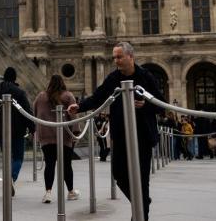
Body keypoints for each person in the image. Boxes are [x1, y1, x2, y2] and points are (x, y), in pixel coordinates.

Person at [68, 42, 164, 220]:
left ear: (130, 57)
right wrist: (79, 106)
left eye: (119, 57)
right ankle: (142, 203)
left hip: (142, 136)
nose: (116, 60)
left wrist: (146, 105)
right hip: (121, 136)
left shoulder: (146, 77)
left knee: (142, 181)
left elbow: (161, 104)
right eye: (114, 57)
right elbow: (98, 98)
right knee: (119, 175)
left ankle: (140, 215)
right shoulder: (113, 79)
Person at [33, 75, 81, 203]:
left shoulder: (41, 97)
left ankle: (48, 193)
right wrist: (75, 133)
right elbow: (73, 116)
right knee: (66, 165)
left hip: (46, 136)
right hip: (64, 136)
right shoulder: (68, 96)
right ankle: (70, 192)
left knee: (49, 164)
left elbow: (35, 113)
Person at [0, 67, 35, 195]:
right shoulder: (20, 93)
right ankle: (12, 178)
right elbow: (26, 111)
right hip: (18, 130)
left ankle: (8, 178)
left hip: (1, 130)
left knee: (7, 157)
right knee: (18, 157)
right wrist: (32, 128)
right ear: (15, 77)